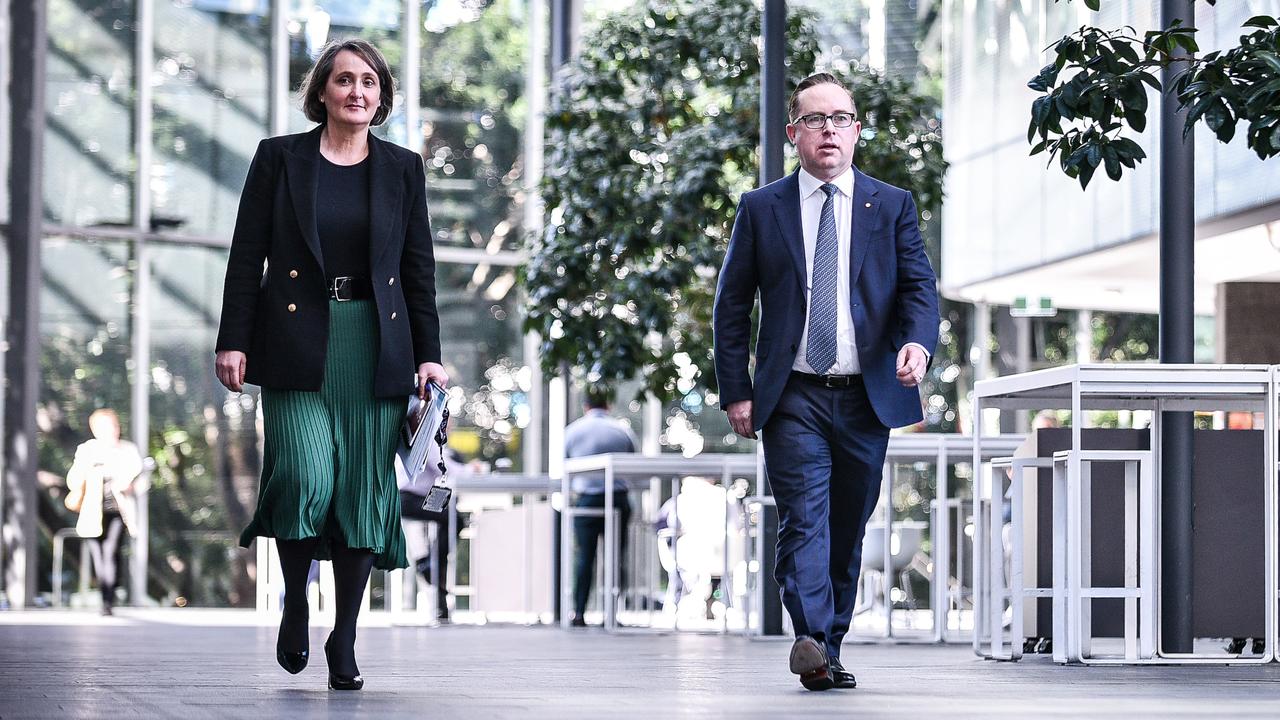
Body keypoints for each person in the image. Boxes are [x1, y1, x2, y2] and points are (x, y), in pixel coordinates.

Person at [214, 38, 447, 691]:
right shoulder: (280, 158)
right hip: (293, 341)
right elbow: (245, 256)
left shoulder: (402, 169)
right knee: (303, 475)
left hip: (375, 343)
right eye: (344, 81)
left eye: (368, 82)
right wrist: (233, 339)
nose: (356, 92)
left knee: (360, 494)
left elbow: (417, 271)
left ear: (382, 95)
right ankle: (296, 597)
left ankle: (344, 636)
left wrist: (429, 356)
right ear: (322, 91)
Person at [712, 72, 939, 691]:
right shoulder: (763, 208)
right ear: (794, 134)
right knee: (803, 517)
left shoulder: (891, 205)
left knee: (848, 524)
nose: (829, 130)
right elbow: (732, 305)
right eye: (815, 120)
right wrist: (737, 389)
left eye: (840, 118)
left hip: (868, 392)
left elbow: (919, 287)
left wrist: (917, 342)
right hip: (793, 395)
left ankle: (827, 649)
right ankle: (810, 632)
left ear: (857, 130)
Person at [564, 384, 638, 627]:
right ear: (608, 405)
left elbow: (565, 467)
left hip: (587, 500)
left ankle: (579, 612)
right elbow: (634, 465)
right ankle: (614, 613)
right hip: (617, 499)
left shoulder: (572, 431)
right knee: (616, 557)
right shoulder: (622, 430)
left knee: (585, 557)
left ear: (585, 406)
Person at [65, 409, 144, 616]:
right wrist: (88, 466)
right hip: (92, 511)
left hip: (118, 510)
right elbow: (72, 480)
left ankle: (108, 599)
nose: (111, 431)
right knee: (99, 557)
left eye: (114, 426)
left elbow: (140, 478)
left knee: (111, 552)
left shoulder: (128, 450)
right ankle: (105, 594)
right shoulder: (87, 450)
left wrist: (129, 485)